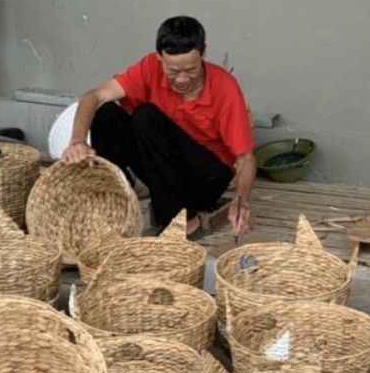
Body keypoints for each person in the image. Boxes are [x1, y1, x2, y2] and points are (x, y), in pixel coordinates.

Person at [61, 15, 256, 236]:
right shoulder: (149, 68)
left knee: (145, 116)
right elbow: (94, 96)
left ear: (203, 53)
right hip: (166, 169)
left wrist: (242, 200)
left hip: (206, 179)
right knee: (106, 113)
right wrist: (77, 141)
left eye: (191, 70)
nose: (182, 79)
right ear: (159, 58)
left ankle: (181, 219)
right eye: (173, 71)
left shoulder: (225, 87)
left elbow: (245, 159)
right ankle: (116, 197)